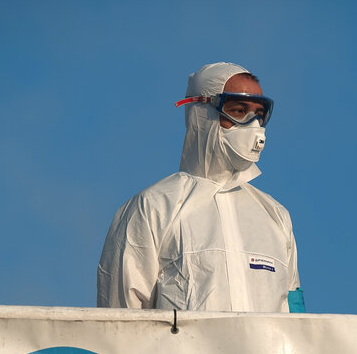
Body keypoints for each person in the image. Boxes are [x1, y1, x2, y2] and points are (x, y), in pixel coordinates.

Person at [97, 62, 304, 313]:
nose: (254, 125)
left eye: (259, 115)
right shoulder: (153, 207)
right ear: (203, 113)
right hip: (185, 353)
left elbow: (294, 320)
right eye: (239, 111)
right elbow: (119, 319)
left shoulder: (275, 216)